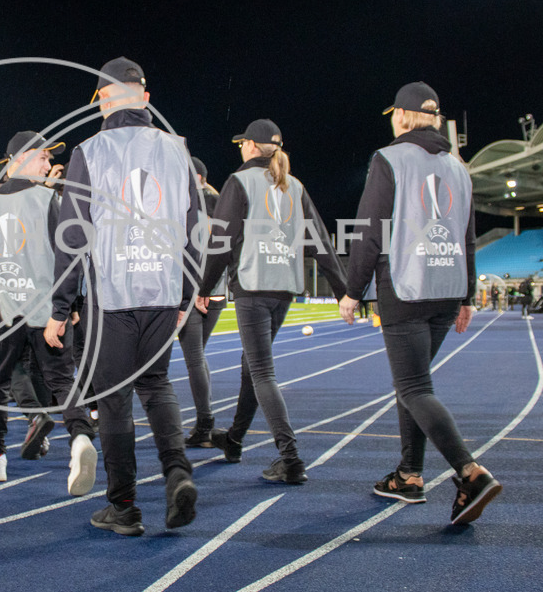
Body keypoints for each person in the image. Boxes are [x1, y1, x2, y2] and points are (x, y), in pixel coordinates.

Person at [45, 56, 201, 535]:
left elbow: (74, 236)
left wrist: (59, 307)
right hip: (162, 292)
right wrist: (186, 296)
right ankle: (177, 473)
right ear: (146, 98)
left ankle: (125, 505)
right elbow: (196, 228)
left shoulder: (89, 152)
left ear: (103, 103)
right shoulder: (178, 150)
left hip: (113, 297)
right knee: (156, 385)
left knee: (114, 399)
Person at [340, 81, 501, 525]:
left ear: (404, 116)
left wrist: (353, 291)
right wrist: (467, 295)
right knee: (413, 386)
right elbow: (468, 238)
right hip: (448, 289)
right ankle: (409, 475)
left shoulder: (389, 158)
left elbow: (370, 231)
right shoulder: (459, 167)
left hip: (407, 288)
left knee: (414, 388)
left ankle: (470, 473)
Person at [199, 118, 346, 484]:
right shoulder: (294, 186)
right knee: (253, 368)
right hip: (284, 289)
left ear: (250, 146)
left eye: (242, 144)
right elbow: (321, 242)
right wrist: (343, 288)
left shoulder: (240, 182)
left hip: (252, 286)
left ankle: (291, 457)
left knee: (261, 372)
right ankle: (233, 440)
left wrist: (202, 287)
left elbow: (221, 242)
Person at [0, 130, 97, 494]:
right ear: (20, 159)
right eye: (42, 157)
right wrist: (69, 305)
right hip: (46, 313)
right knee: (61, 380)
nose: (47, 164)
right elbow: (69, 258)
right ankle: (80, 440)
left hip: (6, 312)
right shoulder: (48, 199)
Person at [180, 156, 228, 448]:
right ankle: (205, 420)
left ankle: (205, 424)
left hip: (195, 292)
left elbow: (190, 253)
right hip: (219, 292)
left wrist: (194, 291)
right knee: (199, 357)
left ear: (196, 177)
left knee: (194, 359)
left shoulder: (191, 207)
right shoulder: (222, 203)